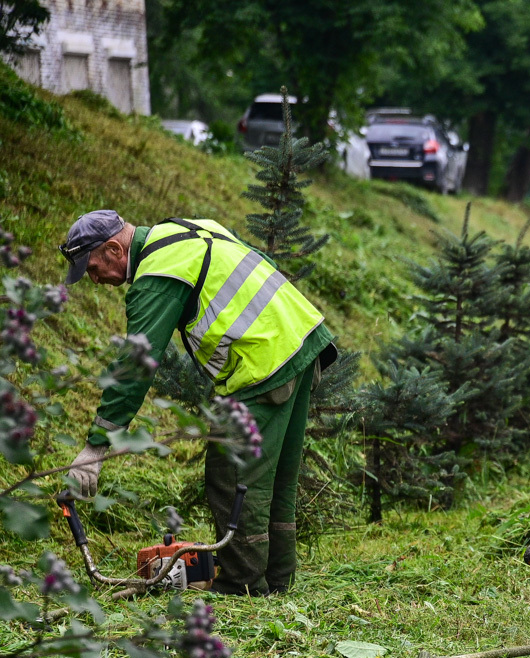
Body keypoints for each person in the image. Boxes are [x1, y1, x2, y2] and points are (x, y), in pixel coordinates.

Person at [59, 210, 337, 596]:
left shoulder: (157, 273)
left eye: (92, 268)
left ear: (113, 248)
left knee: (232, 472)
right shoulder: (182, 230)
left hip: (263, 362)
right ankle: (276, 579)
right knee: (276, 476)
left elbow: (137, 363)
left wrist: (96, 446)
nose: (95, 280)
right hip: (301, 339)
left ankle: (242, 585)